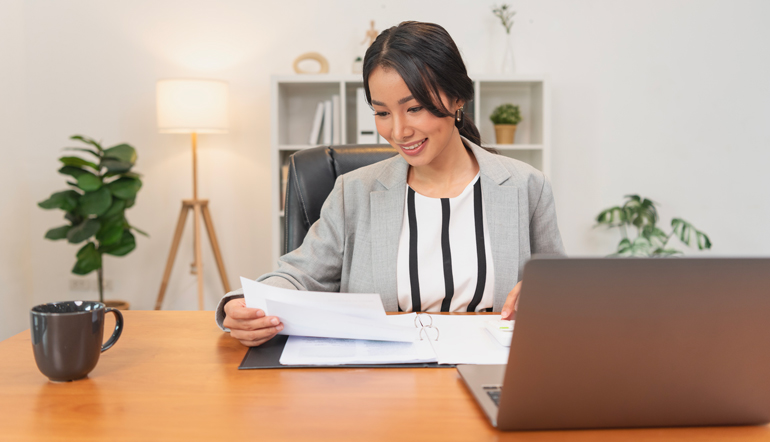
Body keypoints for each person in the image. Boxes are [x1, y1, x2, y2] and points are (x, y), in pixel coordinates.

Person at [216, 21, 564, 347]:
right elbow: (297, 276)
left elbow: (562, 290)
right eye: (382, 113)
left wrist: (545, 294)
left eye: (414, 109)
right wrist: (246, 304)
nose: (398, 132)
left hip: (489, 369)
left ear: (457, 99)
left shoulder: (526, 186)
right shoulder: (353, 192)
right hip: (384, 381)